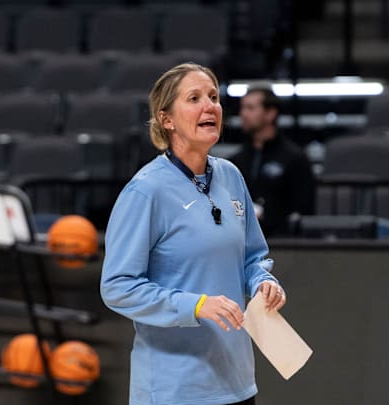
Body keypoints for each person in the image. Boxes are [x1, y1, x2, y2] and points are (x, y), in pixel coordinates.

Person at [100, 63, 286, 405]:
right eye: (195, 98)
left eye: (214, 97)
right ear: (166, 119)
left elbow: (253, 257)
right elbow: (118, 286)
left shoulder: (231, 176)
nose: (210, 106)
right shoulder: (145, 191)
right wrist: (195, 305)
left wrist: (263, 281)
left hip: (237, 382)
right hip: (175, 389)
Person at [229, 87, 315, 236]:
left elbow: (304, 211)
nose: (243, 114)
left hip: (282, 245)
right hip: (240, 243)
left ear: (270, 114)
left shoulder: (294, 158)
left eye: (250, 108)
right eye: (242, 108)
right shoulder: (235, 160)